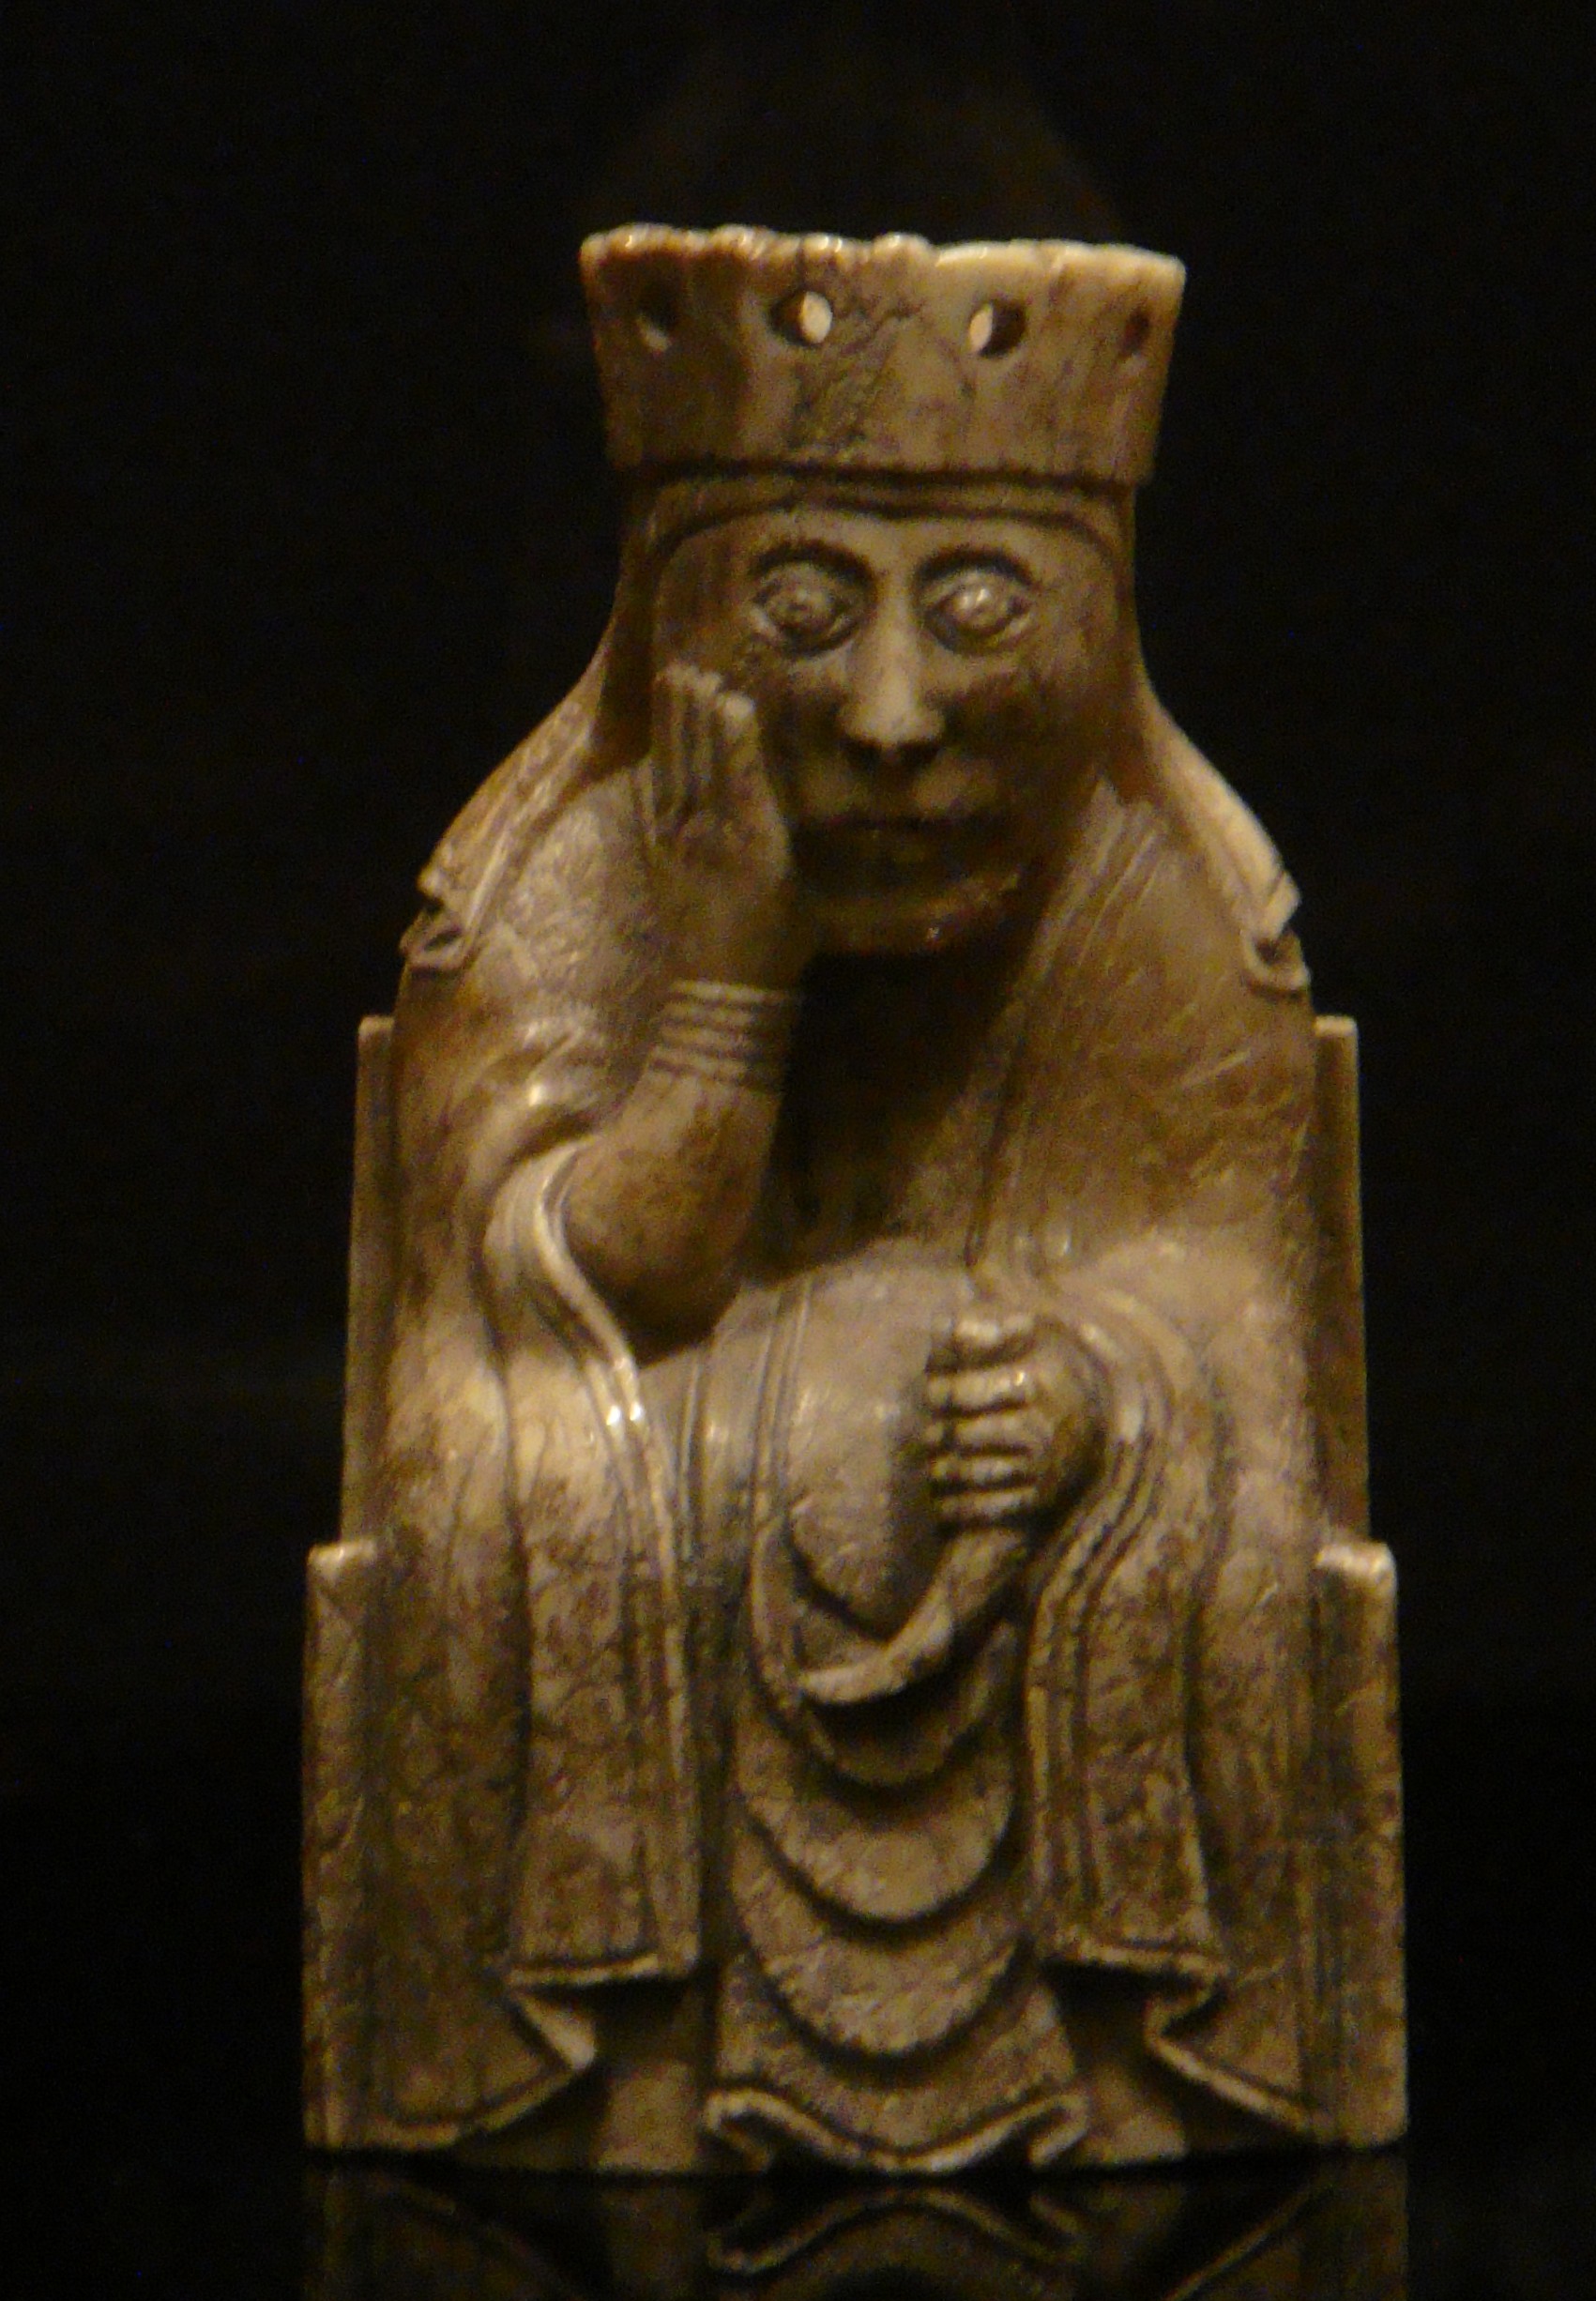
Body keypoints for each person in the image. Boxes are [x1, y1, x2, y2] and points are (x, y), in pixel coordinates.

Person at [312, 228, 1362, 2168]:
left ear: (1095, 622)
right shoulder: (560, 878)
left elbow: (1238, 1309)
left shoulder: (1161, 905)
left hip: (1010, 1514)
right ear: (671, 613)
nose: (889, 711)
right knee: (522, 1468)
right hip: (675, 1461)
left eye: (973, 609)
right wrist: (727, 978)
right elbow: (552, 1298)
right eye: (801, 608)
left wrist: (1105, 1393)